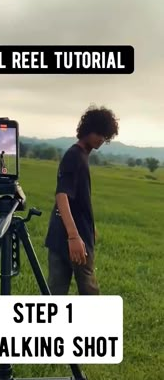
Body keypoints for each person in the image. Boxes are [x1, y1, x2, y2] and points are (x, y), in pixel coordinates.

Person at [45, 105, 119, 295]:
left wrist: (89, 226)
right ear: (87, 130)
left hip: (66, 234)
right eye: (99, 133)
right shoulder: (74, 156)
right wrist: (74, 236)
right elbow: (62, 196)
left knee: (56, 293)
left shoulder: (81, 155)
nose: (102, 139)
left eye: (105, 135)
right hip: (71, 238)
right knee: (86, 293)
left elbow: (77, 198)